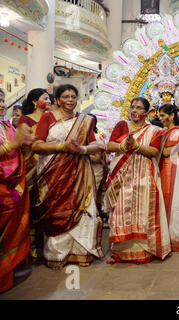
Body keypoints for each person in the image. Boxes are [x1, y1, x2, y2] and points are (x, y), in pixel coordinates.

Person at [32, 84, 104, 269]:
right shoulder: (48, 117)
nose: (70, 99)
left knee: (83, 211)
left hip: (80, 172)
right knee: (57, 212)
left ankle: (80, 253)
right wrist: (61, 147)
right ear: (57, 100)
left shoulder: (84, 120)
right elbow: (37, 146)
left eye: (73, 96)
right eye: (66, 96)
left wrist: (82, 149)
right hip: (53, 173)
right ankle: (57, 255)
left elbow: (96, 145)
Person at [104, 97, 171, 264]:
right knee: (121, 210)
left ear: (146, 113)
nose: (134, 110)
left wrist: (137, 146)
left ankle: (144, 251)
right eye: (132, 107)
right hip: (122, 177)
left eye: (139, 108)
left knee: (143, 211)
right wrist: (122, 146)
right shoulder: (122, 126)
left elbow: (155, 151)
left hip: (144, 175)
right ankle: (120, 252)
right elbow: (110, 145)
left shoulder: (154, 130)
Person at [0, 88, 33, 292]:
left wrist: (26, 145)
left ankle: (8, 267)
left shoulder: (6, 125)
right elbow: (12, 146)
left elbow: (19, 152)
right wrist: (13, 144)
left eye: (3, 100)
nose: (2, 104)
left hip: (13, 185)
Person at [17, 88, 51, 261]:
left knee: (46, 206)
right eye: (45, 98)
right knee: (31, 206)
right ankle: (29, 247)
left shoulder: (51, 118)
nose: (50, 101)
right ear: (34, 102)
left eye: (50, 98)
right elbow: (21, 142)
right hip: (31, 167)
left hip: (48, 167)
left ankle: (44, 245)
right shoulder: (25, 120)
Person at [159, 104, 179, 251]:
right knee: (164, 201)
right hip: (164, 168)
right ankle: (165, 236)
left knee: (174, 202)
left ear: (172, 116)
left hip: (174, 169)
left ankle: (175, 236)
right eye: (160, 116)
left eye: (164, 116)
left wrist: (163, 150)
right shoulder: (165, 132)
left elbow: (171, 152)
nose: (162, 119)